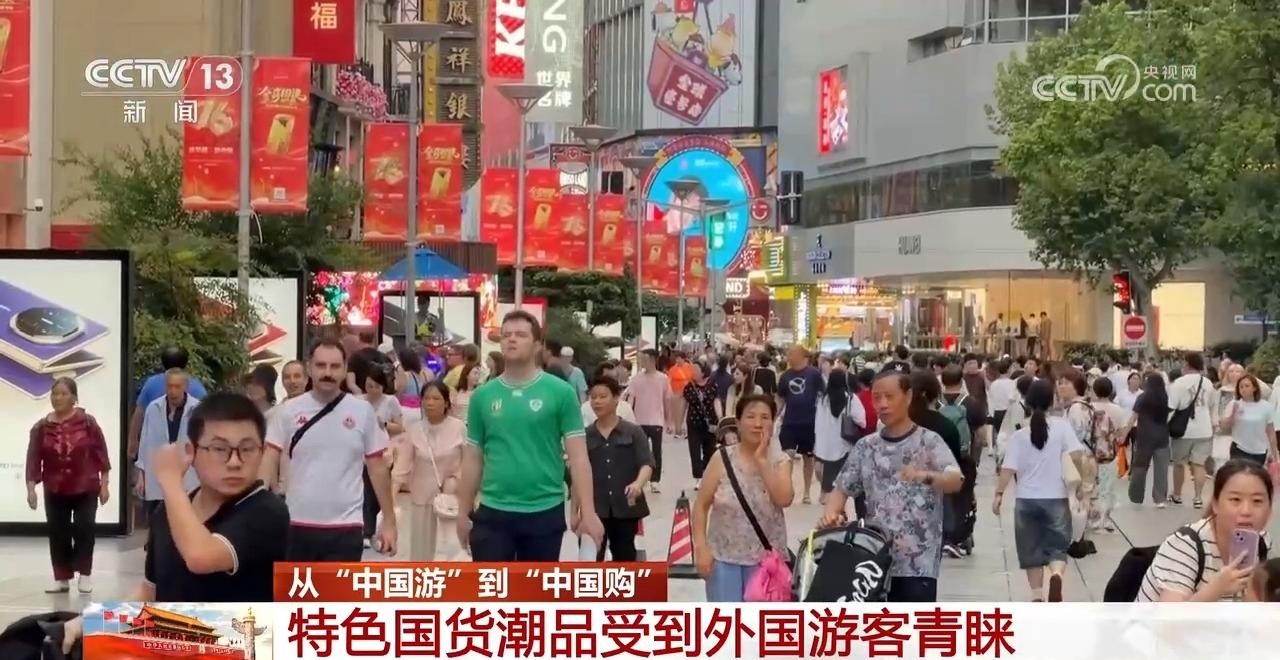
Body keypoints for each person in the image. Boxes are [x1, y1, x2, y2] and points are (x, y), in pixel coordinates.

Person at [457, 311, 604, 560]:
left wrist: (588, 512)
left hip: (544, 511)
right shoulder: (483, 396)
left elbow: (579, 457)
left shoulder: (561, 393)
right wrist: (463, 512)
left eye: (521, 335)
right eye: (506, 335)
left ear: (537, 345)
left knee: (534, 585)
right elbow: (473, 457)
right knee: (491, 584)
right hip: (493, 510)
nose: (511, 339)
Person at [821, 372, 963, 602]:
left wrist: (925, 475)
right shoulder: (866, 447)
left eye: (889, 396)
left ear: (908, 397)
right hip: (872, 560)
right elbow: (841, 489)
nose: (883, 404)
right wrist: (831, 513)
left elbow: (955, 480)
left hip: (917, 565)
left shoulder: (929, 442)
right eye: (877, 398)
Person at [137, 393, 289, 602]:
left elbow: (200, 557)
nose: (235, 462)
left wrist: (170, 479)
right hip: (171, 624)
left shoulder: (267, 511)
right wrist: (95, 619)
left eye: (247, 449)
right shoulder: (168, 511)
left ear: (262, 452)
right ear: (191, 452)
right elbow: (149, 591)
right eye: (219, 449)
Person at [259, 339, 397, 561]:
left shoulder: (362, 411)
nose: (328, 373)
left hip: (347, 527)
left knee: (336, 585)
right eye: (321, 365)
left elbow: (377, 469)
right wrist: (255, 510)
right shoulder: (288, 411)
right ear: (309, 368)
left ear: (344, 370)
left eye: (335, 366)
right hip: (297, 524)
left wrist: (389, 521)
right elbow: (268, 459)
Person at [693, 395, 793, 602]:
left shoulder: (780, 461)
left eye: (765, 417)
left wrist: (762, 462)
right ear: (738, 423)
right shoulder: (721, 458)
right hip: (723, 559)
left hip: (766, 564)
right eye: (751, 417)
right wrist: (701, 547)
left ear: (773, 423)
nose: (758, 423)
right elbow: (701, 505)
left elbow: (784, 498)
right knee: (726, 620)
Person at [993, 379, 1086, 602]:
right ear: (1051, 401)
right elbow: (1076, 455)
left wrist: (999, 494)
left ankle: (1036, 596)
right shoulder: (1062, 427)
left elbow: (1008, 468)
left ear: (1027, 401)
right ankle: (1056, 575)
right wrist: (1079, 483)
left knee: (1030, 548)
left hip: (1026, 499)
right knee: (1057, 546)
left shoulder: (1019, 434)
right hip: (1056, 497)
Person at [1137, 460, 1273, 601]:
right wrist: (1216, 589)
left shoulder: (1262, 543)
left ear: (1269, 509)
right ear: (1215, 504)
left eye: (1257, 501)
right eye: (1235, 499)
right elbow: (1170, 614)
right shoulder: (1185, 544)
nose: (1246, 511)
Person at [25, 378, 110, 594]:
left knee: (84, 529)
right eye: (55, 394)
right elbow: (33, 459)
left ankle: (85, 575)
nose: (58, 398)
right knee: (58, 531)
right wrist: (31, 489)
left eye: (63, 394)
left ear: (74, 397)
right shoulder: (41, 427)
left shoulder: (88, 423)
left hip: (85, 486)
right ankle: (61, 577)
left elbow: (101, 454)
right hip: (55, 487)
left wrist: (104, 484)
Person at [583, 377, 654, 562]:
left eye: (603, 396)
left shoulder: (633, 432)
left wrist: (638, 484)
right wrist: (576, 511)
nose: (597, 401)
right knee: (591, 558)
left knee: (624, 556)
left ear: (616, 399)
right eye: (593, 397)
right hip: (595, 508)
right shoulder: (586, 435)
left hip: (625, 506)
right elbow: (578, 472)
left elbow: (647, 463)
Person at [405, 382, 464, 561]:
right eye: (426, 398)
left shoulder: (458, 427)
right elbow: (402, 466)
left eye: (436, 398)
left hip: (451, 497)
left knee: (450, 548)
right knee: (421, 548)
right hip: (421, 497)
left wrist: (457, 481)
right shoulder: (414, 429)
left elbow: (468, 461)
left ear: (446, 403)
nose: (430, 402)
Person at [135, 370, 201, 523]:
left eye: (177, 386)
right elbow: (145, 442)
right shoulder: (153, 408)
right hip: (158, 476)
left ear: (185, 387)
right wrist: (141, 475)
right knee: (158, 524)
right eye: (169, 386)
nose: (173, 391)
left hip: (189, 478)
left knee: (185, 523)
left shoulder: (197, 409)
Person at [128, 347, 208, 467]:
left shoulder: (151, 384)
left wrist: (133, 442)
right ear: (186, 363)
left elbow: (139, 414)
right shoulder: (197, 387)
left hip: (158, 451)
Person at [940, 365, 984, 557]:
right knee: (963, 497)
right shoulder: (971, 404)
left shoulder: (936, 404)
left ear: (942, 381)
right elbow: (981, 435)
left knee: (942, 496)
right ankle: (957, 537)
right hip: (964, 459)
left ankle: (944, 535)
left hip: (940, 459)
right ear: (961, 381)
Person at [1169, 352, 1219, 509]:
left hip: (1182, 430)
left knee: (1179, 464)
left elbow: (1171, 407)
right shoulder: (1208, 383)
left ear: (1186, 364)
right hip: (1204, 429)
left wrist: (1164, 425)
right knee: (1199, 464)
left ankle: (1177, 495)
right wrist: (1214, 424)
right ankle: (1198, 498)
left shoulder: (1178, 383)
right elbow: (1212, 406)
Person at [361, 364, 404, 545]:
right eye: (369, 386)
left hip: (384, 453)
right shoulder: (359, 401)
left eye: (376, 387)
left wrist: (384, 424)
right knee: (366, 492)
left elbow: (400, 427)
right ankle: (366, 530)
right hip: (363, 454)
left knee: (380, 493)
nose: (372, 390)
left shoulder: (390, 401)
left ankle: (379, 526)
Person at [778, 345, 825, 504]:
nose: (789, 357)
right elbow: (781, 399)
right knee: (788, 455)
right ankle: (788, 487)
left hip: (809, 422)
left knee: (808, 457)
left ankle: (806, 492)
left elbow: (822, 396)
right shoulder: (785, 376)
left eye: (791, 354)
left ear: (801, 356)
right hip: (790, 422)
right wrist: (773, 417)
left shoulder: (814, 374)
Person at [1124, 372, 1173, 506]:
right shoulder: (1166, 399)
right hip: (1162, 438)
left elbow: (1133, 418)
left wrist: (1124, 434)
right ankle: (1160, 499)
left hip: (1144, 438)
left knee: (1140, 468)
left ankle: (1136, 497)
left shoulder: (1142, 398)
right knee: (1161, 470)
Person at [1089, 378, 1131, 532]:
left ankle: (1094, 518)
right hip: (1110, 452)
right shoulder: (1117, 410)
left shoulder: (1088, 408)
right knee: (1108, 486)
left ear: (1094, 389)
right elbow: (1121, 432)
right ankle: (1106, 518)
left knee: (1092, 486)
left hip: (1090, 451)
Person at [624, 349, 669, 494]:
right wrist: (628, 418)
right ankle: (638, 478)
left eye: (644, 359)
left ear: (653, 360)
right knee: (638, 451)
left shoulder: (663, 378)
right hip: (639, 421)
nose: (642, 362)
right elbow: (630, 399)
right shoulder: (636, 379)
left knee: (656, 451)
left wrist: (669, 421)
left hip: (656, 420)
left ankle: (655, 480)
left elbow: (666, 399)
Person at [814, 363, 857, 505]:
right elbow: (861, 420)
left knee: (825, 468)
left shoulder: (822, 400)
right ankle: (835, 500)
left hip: (824, 442)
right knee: (838, 472)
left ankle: (825, 493)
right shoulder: (850, 398)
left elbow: (818, 421)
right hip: (843, 442)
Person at [1220, 374, 1277, 465]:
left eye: (1247, 386)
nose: (1244, 389)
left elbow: (1271, 432)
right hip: (1239, 448)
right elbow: (1224, 426)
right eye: (1241, 387)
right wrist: (1233, 414)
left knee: (1254, 473)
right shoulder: (1234, 404)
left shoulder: (1266, 406)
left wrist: (1274, 453)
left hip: (1259, 451)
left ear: (1254, 388)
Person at [683, 361, 722, 488]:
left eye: (696, 369)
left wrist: (720, 418)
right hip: (693, 422)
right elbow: (684, 404)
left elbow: (716, 401)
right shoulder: (689, 387)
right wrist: (680, 423)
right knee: (694, 451)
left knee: (709, 450)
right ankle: (698, 477)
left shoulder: (712, 385)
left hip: (710, 423)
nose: (693, 372)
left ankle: (706, 473)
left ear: (703, 371)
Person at [668, 353, 697, 438]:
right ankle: (678, 430)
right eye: (676, 358)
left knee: (686, 412)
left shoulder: (689, 367)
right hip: (676, 392)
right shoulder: (673, 369)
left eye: (679, 358)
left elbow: (692, 379)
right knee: (677, 412)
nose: (677, 360)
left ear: (683, 359)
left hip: (687, 393)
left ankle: (685, 430)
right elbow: (669, 380)